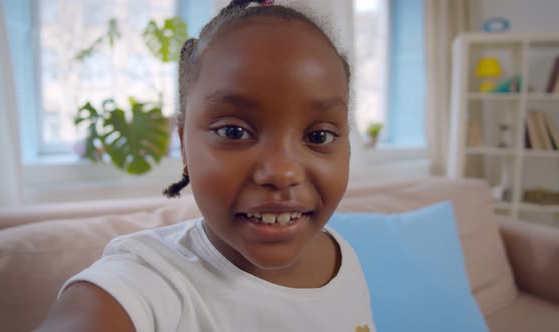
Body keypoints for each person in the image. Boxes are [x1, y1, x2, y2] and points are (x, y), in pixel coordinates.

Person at [35, 1, 375, 331]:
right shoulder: (148, 283)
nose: (283, 172)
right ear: (184, 145)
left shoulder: (343, 256)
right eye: (234, 131)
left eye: (319, 135)